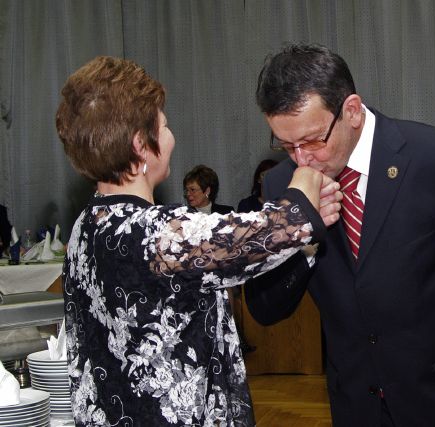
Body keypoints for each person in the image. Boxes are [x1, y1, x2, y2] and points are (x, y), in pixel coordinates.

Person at [245, 43, 435, 426]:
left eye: (312, 141)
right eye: (286, 145)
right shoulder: (284, 185)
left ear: (352, 111)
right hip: (360, 405)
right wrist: (302, 234)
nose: (301, 158)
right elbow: (265, 307)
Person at [55, 55, 341, 426]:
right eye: (164, 125)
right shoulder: (157, 232)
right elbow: (268, 231)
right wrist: (302, 185)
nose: (171, 136)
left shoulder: (85, 226)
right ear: (141, 145)